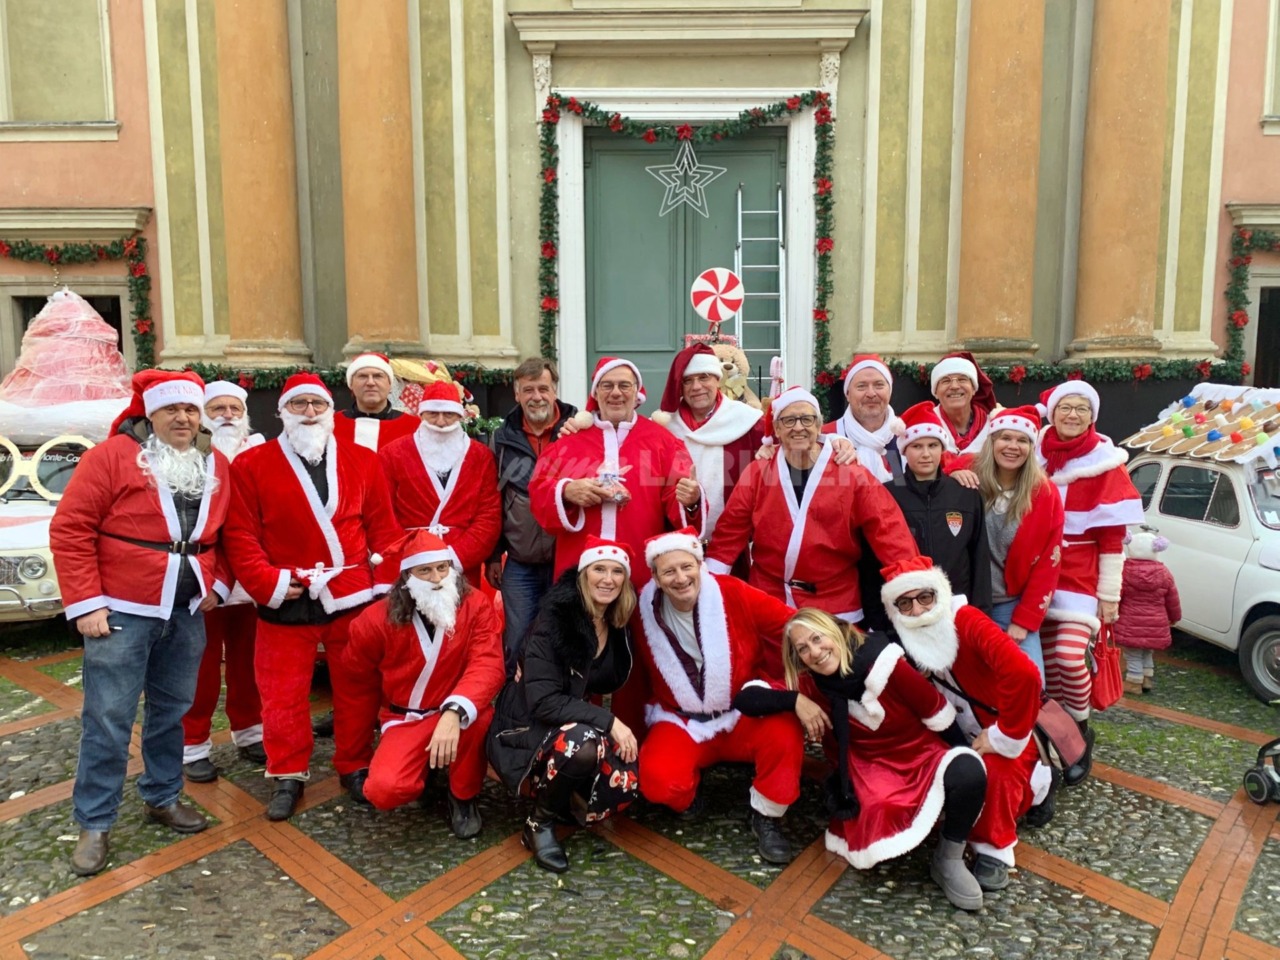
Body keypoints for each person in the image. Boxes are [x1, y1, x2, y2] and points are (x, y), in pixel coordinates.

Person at [50, 370, 230, 876]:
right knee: (108, 718)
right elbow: (71, 528)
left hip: (186, 608)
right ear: (150, 414)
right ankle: (95, 820)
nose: (183, 418)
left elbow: (225, 533)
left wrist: (215, 584)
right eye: (172, 409)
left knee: (172, 710)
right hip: (122, 609)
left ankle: (162, 794)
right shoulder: (110, 458)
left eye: (191, 410)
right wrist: (86, 603)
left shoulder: (213, 462)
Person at [223, 372, 403, 821]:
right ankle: (287, 771)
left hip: (352, 593)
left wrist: (384, 587)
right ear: (282, 411)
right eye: (299, 404)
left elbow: (382, 528)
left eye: (317, 405)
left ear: (329, 411)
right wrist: (270, 581)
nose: (309, 413)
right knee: (281, 693)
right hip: (285, 594)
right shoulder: (252, 464)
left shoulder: (364, 461)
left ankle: (355, 764)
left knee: (358, 688)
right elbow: (241, 534)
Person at [733, 608, 988, 911]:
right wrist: (795, 700)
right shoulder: (811, 685)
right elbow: (746, 698)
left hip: (921, 753)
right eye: (803, 648)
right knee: (881, 807)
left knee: (968, 770)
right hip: (868, 768)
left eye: (818, 638)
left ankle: (949, 858)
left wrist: (970, 765)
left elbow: (936, 713)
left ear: (836, 632)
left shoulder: (886, 664)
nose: (814, 652)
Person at [632, 529, 803, 864]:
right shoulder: (640, 610)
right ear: (654, 575)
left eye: (687, 567)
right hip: (682, 720)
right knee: (657, 781)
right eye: (669, 571)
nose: (681, 579)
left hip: (742, 712)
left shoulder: (732, 592)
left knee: (785, 735)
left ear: (700, 564)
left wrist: (857, 649)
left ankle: (767, 815)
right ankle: (690, 794)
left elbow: (794, 625)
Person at [881, 557, 1048, 892]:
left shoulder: (967, 620)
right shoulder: (907, 636)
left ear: (939, 593)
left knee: (996, 774)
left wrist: (1005, 736)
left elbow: (1025, 674)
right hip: (952, 733)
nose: (917, 610)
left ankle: (994, 849)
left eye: (925, 597)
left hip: (1000, 729)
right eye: (905, 602)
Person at [488, 537, 640, 873]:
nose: (608, 579)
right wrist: (611, 722)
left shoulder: (613, 622)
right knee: (582, 744)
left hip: (568, 714)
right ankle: (538, 824)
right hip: (526, 723)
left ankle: (565, 793)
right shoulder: (555, 620)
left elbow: (605, 678)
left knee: (625, 780)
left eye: (617, 571)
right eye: (599, 569)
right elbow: (543, 702)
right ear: (584, 574)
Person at [706, 386, 918, 624]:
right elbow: (730, 532)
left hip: (836, 604)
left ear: (819, 426)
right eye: (789, 420)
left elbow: (888, 528)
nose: (798, 427)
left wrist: (910, 582)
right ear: (776, 428)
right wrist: (709, 587)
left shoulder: (851, 472)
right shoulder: (758, 472)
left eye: (806, 419)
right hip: (770, 598)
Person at [341, 530, 504, 836]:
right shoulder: (374, 621)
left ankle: (463, 796)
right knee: (384, 791)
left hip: (458, 713)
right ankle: (426, 771)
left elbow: (489, 662)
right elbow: (356, 685)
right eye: (425, 570)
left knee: (480, 718)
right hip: (406, 717)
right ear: (407, 577)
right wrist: (353, 756)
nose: (436, 578)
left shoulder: (476, 605)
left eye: (442, 568)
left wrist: (454, 711)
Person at [1035, 381, 1144, 773]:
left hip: (1080, 576)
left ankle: (1079, 728)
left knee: (1069, 656)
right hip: (1035, 573)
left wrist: (1110, 596)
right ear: (1053, 412)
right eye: (1066, 407)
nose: (1073, 415)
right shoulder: (1032, 450)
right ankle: (1056, 730)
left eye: (1082, 409)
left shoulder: (1104, 462)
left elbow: (1113, 541)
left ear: (1092, 417)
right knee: (1046, 663)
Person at [529, 356, 700, 585]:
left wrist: (691, 500)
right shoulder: (568, 441)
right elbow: (539, 488)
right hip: (579, 566)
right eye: (607, 385)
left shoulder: (664, 442)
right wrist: (565, 492)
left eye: (624, 385)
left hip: (640, 563)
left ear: (637, 392)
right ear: (596, 393)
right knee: (581, 619)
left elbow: (680, 499)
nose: (616, 393)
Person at [182, 381, 267, 783]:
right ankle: (192, 743)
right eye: (217, 408)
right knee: (198, 664)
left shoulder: (261, 451)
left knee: (250, 660)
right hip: (206, 578)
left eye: (234, 408)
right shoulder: (188, 457)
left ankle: (250, 730)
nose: (227, 415)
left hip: (254, 577)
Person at [484, 358, 578, 677]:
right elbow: (493, 499)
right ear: (516, 394)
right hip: (521, 562)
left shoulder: (577, 431)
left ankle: (565, 707)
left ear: (555, 391)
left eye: (543, 388)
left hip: (567, 557)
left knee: (566, 635)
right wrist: (494, 555)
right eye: (528, 390)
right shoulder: (502, 438)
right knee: (517, 638)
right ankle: (517, 711)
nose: (536, 396)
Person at [379, 379, 501, 591]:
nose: (441, 422)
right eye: (433, 414)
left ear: (460, 416)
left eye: (448, 414)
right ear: (421, 415)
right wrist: (415, 557)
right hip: (410, 562)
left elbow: (489, 517)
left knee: (462, 621)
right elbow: (382, 513)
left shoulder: (481, 456)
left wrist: (455, 558)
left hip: (462, 564)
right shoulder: (392, 454)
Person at [973, 405, 1065, 681]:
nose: (1013, 446)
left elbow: (1049, 564)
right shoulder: (967, 475)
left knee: (1030, 680)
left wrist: (1023, 621)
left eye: (1022, 440)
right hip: (968, 602)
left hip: (1010, 604)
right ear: (991, 442)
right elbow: (923, 462)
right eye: (1005, 438)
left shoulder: (1044, 494)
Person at [650, 344, 766, 539]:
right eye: (688, 381)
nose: (696, 387)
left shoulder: (749, 422)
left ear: (717, 379)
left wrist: (831, 440)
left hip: (733, 542)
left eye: (704, 377)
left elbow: (795, 443)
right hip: (676, 542)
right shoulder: (664, 428)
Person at [886, 402, 991, 612]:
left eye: (933, 446)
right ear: (905, 450)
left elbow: (979, 558)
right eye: (917, 446)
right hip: (907, 610)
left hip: (957, 608)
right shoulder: (887, 495)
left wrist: (981, 611)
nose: (926, 454)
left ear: (943, 448)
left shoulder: (966, 494)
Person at [1113, 529, 1181, 696]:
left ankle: (1134, 682)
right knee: (1147, 650)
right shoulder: (1165, 573)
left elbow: (1118, 595)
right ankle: (1147, 678)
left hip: (1131, 622)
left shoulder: (1125, 571)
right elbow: (1172, 599)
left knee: (1133, 653)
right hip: (1156, 622)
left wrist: (1113, 613)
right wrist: (1175, 617)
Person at [822, 354, 900, 481]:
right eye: (861, 386)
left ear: (890, 391)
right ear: (847, 394)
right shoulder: (826, 437)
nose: (871, 393)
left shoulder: (907, 435)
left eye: (879, 385)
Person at [332, 351, 419, 451]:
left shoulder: (413, 427)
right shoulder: (333, 425)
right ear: (351, 384)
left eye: (378, 376)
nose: (370, 382)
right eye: (362, 376)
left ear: (390, 384)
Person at [930, 352, 1000, 461]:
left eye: (962, 379)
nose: (954, 386)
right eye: (945, 381)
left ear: (973, 389)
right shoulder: (925, 423)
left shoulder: (993, 425)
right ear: (936, 391)